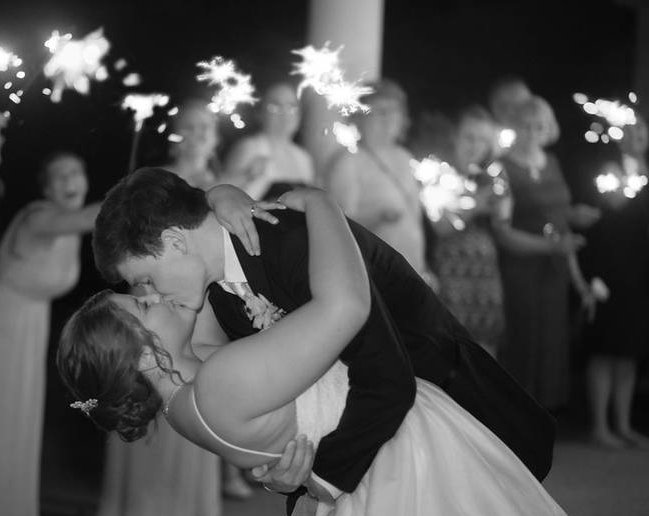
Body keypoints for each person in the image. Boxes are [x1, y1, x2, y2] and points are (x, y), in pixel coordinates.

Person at [59, 186, 649, 516]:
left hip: (396, 423)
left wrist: (218, 194)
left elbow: (188, 231)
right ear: (141, 352)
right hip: (393, 464)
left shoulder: (205, 356)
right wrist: (320, 202)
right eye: (141, 298)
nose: (154, 296)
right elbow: (343, 309)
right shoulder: (215, 378)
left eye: (143, 283)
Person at [91, 167, 555, 497]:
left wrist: (319, 478)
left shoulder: (294, 240)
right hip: (373, 450)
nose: (152, 295)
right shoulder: (208, 291)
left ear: (174, 241)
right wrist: (280, 465)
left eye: (145, 280)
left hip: (446, 418)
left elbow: (386, 381)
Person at [0, 151, 96, 516]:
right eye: (60, 175)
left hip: (29, 322)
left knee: (17, 412)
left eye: (76, 172)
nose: (70, 181)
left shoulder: (67, 227)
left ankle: (10, 509)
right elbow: (92, 217)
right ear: (45, 187)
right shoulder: (41, 217)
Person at [163, 99, 254, 499]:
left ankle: (197, 492)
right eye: (191, 126)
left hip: (208, 294)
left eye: (206, 127)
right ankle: (161, 494)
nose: (200, 134)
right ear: (176, 133)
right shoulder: (161, 179)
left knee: (206, 378)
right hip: (165, 291)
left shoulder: (218, 179)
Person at [496, 96, 600, 410]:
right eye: (526, 126)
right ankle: (514, 419)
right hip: (520, 269)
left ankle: (543, 417)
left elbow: (556, 212)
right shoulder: (502, 168)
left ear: (548, 128)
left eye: (539, 126)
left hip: (553, 270)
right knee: (523, 341)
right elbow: (502, 231)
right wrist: (551, 246)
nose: (532, 132)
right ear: (515, 127)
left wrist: (572, 215)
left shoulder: (552, 163)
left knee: (551, 343)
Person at [579, 113, 649, 448]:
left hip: (639, 270)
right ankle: (600, 425)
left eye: (642, 133)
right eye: (631, 133)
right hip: (608, 267)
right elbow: (597, 215)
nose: (636, 138)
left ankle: (623, 424)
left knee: (629, 351)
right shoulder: (605, 168)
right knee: (606, 346)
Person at [418, 106, 509, 355]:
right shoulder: (437, 173)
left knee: (487, 352)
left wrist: (502, 204)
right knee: (451, 349)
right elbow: (441, 227)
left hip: (486, 278)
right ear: (455, 136)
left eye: (482, 140)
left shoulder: (491, 176)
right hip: (450, 275)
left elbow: (503, 225)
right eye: (469, 137)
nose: (475, 146)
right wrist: (476, 204)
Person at [323, 79, 433, 282]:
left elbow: (413, 219)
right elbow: (337, 223)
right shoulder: (348, 161)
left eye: (394, 111)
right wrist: (377, 217)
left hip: (411, 270)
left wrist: (424, 267)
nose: (389, 118)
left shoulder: (404, 157)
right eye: (380, 111)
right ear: (360, 118)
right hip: (373, 273)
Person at [224, 83, 315, 200]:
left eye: (292, 107)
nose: (285, 113)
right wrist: (249, 177)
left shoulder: (303, 157)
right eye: (275, 106)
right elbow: (229, 198)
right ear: (260, 113)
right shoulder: (250, 148)